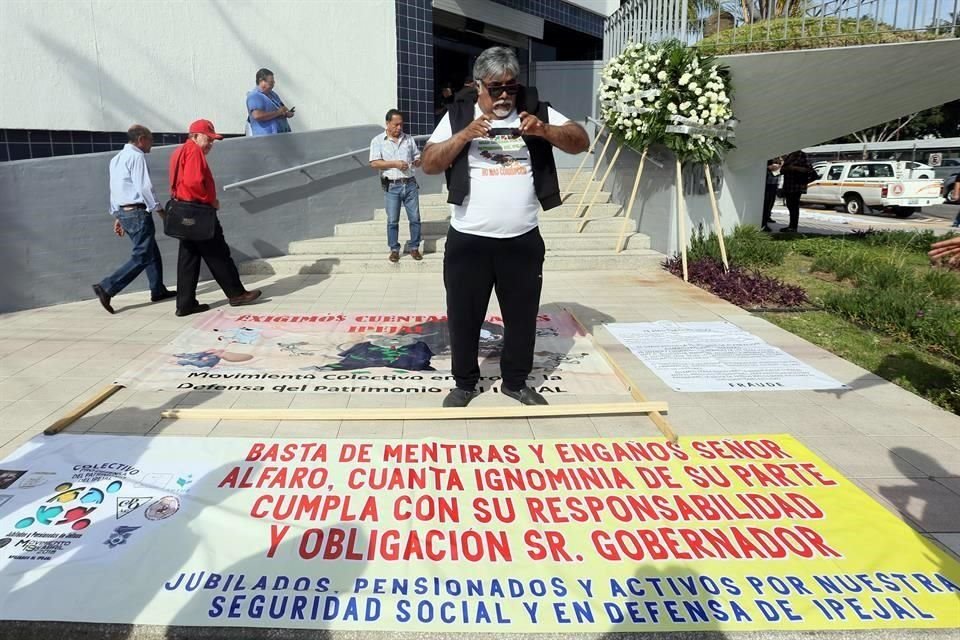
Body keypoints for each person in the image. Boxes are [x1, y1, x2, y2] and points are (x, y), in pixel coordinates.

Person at [421, 46, 589, 408]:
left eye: (510, 87)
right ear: (478, 85)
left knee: (522, 318)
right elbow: (429, 163)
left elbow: (580, 140)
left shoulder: (535, 108)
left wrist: (544, 130)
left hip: (522, 239)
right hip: (469, 239)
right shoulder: (459, 114)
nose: (503, 96)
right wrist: (464, 135)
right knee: (464, 317)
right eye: (495, 88)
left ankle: (515, 382)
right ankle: (465, 383)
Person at [169, 119, 261, 317]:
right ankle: (236, 294)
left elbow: (177, 182)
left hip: (184, 211)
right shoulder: (194, 151)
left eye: (213, 141)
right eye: (208, 139)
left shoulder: (179, 151)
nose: (210, 144)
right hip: (199, 211)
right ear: (194, 136)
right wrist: (210, 201)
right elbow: (194, 182)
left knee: (188, 260)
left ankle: (185, 304)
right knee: (218, 253)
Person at [92, 125, 175, 314]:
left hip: (124, 211)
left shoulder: (116, 159)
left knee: (151, 251)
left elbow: (116, 188)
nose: (152, 144)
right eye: (151, 139)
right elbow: (145, 187)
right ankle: (107, 287)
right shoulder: (137, 157)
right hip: (137, 212)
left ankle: (158, 290)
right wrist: (160, 211)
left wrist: (117, 215)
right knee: (143, 255)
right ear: (141, 139)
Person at [369, 109, 423, 263]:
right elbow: (374, 163)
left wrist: (417, 161)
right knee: (392, 220)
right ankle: (394, 249)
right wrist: (395, 164)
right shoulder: (378, 141)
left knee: (415, 218)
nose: (399, 128)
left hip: (410, 184)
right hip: (392, 186)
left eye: (401, 124)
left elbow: (417, 156)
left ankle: (414, 247)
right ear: (387, 124)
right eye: (396, 124)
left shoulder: (408, 139)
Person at [246, 68, 294, 136]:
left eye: (273, 82)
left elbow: (281, 107)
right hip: (266, 138)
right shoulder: (254, 96)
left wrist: (286, 113)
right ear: (261, 81)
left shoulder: (273, 94)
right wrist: (278, 112)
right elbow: (257, 115)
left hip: (281, 135)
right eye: (271, 82)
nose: (273, 83)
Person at [779, 150, 815, 233]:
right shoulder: (789, 155)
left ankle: (793, 227)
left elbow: (808, 169)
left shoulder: (801, 155)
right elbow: (782, 170)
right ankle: (791, 226)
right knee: (790, 205)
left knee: (794, 206)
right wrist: (785, 168)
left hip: (797, 185)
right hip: (788, 185)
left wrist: (794, 168)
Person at [761, 157, 782, 232]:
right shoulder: (769, 156)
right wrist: (772, 167)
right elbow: (764, 166)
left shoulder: (779, 158)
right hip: (767, 184)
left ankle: (767, 218)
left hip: (773, 184)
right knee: (765, 204)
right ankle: (763, 224)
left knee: (770, 202)